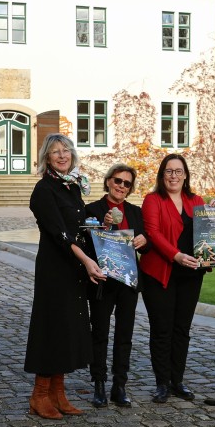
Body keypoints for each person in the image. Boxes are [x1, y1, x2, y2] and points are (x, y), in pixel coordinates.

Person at [24, 134, 105, 419]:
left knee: (68, 328)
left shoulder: (71, 188)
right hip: (54, 268)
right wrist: (85, 260)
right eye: (55, 152)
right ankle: (40, 394)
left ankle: (58, 392)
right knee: (51, 328)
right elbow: (59, 233)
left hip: (72, 268)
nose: (62, 155)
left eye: (66, 151)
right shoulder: (44, 190)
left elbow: (78, 228)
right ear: (46, 157)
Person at [140, 154, 206, 403]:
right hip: (160, 273)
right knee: (161, 329)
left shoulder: (196, 201)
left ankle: (177, 380)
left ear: (186, 175)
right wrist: (176, 256)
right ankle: (162, 383)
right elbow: (153, 233)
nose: (174, 176)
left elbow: (208, 234)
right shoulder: (153, 200)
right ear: (162, 175)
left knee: (182, 329)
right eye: (169, 171)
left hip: (191, 274)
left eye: (179, 171)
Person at [85, 164, 148, 408]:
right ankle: (99, 384)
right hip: (103, 281)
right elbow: (86, 243)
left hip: (128, 281)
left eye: (127, 183)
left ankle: (119, 385)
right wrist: (103, 225)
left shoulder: (135, 212)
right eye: (118, 181)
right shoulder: (93, 210)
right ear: (109, 181)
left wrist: (144, 240)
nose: (122, 186)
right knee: (99, 333)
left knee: (125, 335)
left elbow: (145, 243)